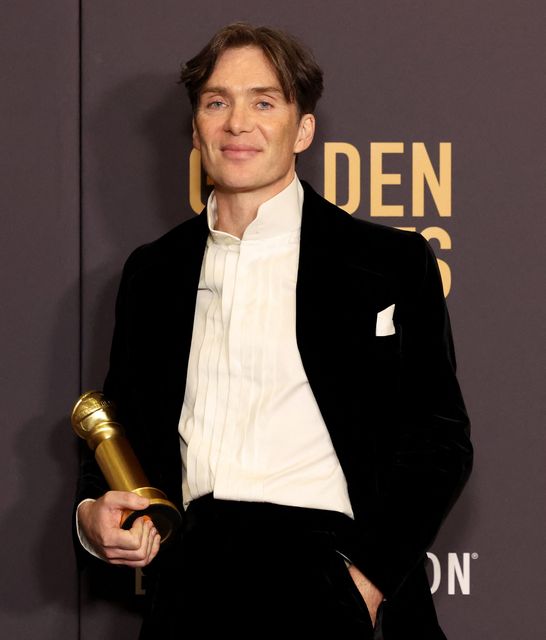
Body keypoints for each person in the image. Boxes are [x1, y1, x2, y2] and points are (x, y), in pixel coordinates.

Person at [74, 22, 472, 639]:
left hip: (329, 573)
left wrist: (364, 582)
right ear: (197, 127)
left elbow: (440, 441)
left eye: (264, 101)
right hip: (191, 585)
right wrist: (90, 518)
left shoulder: (390, 263)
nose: (238, 123)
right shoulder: (153, 273)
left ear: (302, 129)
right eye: (217, 102)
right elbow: (119, 430)